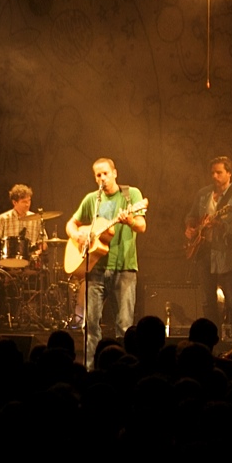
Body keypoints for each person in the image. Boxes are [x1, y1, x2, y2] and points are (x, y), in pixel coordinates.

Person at [65, 157, 147, 369]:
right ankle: (90, 369)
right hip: (96, 269)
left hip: (124, 268)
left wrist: (130, 220)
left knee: (125, 326)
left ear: (115, 173)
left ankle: (125, 368)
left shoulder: (131, 195)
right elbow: (71, 223)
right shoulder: (92, 199)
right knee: (91, 325)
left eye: (105, 173)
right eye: (98, 175)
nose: (102, 178)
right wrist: (77, 235)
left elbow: (141, 226)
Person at [183, 155, 232, 340]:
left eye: (219, 172)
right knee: (207, 302)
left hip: (228, 256)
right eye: (212, 172)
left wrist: (219, 225)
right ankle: (212, 342)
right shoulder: (203, 194)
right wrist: (190, 228)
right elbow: (191, 216)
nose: (214, 176)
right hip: (204, 252)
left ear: (229, 173)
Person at [0, 183, 45, 263]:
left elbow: (43, 243)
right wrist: (3, 254)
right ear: (14, 202)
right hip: (8, 262)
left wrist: (38, 252)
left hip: (30, 262)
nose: (27, 204)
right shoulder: (3, 219)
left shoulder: (36, 219)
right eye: (24, 202)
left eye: (29, 200)